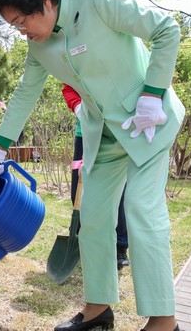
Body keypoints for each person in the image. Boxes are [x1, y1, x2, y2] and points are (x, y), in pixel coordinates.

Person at [0, 0, 184, 331]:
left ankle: (163, 321)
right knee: (92, 220)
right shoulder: (38, 46)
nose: (22, 31)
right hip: (103, 135)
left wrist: (153, 93)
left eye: (20, 21)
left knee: (141, 210)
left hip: (148, 124)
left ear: (43, 2)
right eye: (14, 26)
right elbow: (25, 93)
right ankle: (97, 312)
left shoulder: (99, 3)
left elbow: (166, 28)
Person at [62, 83, 129, 271]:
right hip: (84, 132)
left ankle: (119, 247)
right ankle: (82, 239)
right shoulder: (74, 57)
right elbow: (68, 87)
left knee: (118, 193)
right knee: (78, 190)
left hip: (115, 132)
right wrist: (76, 106)